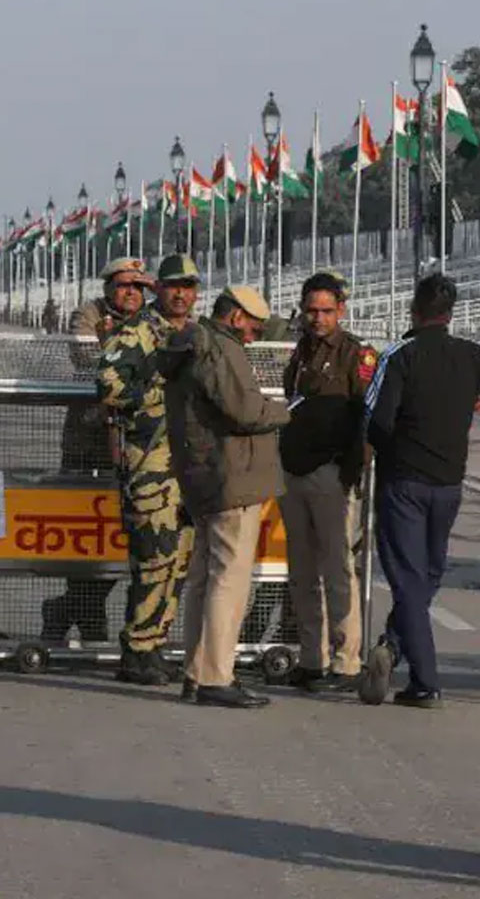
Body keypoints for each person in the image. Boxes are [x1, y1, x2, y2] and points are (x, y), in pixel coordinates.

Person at [165, 284, 291, 708]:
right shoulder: (222, 348)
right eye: (253, 329)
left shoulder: (190, 344)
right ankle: (217, 676)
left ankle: (196, 672)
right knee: (229, 581)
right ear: (236, 317)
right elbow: (246, 410)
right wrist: (286, 410)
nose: (253, 338)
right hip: (229, 477)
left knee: (203, 578)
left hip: (203, 476)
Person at [361, 272, 480, 708]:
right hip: (449, 484)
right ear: (449, 313)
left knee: (409, 579)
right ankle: (392, 644)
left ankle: (423, 680)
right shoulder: (471, 355)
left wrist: (392, 453)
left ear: (414, 309)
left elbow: (376, 420)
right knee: (428, 573)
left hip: (406, 482)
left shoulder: (400, 356)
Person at [96, 254, 198, 685]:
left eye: (189, 286)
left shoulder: (195, 333)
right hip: (151, 460)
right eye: (173, 285)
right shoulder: (138, 332)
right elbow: (109, 385)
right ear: (160, 290)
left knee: (178, 562)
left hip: (188, 462)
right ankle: (137, 651)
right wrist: (158, 388)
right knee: (153, 559)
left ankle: (154, 644)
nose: (181, 293)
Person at [42, 257, 149, 646]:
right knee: (85, 538)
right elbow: (86, 357)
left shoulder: (149, 319)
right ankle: (84, 614)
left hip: (137, 443)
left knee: (127, 539)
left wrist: (117, 346)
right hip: (88, 443)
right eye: (123, 285)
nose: (131, 293)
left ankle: (69, 611)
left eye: (138, 287)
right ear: (107, 288)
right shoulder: (86, 314)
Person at [278, 272, 374, 692]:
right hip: (295, 471)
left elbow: (368, 419)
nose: (318, 318)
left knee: (337, 570)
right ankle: (311, 658)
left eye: (326, 311)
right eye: (311, 310)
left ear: (341, 311)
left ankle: (346, 661)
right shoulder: (301, 351)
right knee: (301, 572)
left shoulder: (357, 355)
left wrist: (353, 471)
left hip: (332, 474)